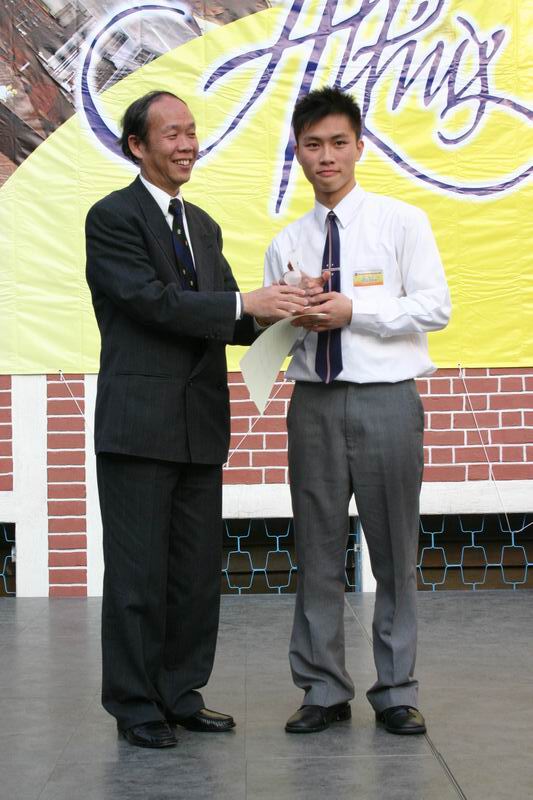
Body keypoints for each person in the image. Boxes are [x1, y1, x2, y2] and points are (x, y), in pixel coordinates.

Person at [85, 90, 308, 748]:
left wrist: (286, 306)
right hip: (138, 427)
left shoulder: (203, 225)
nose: (187, 144)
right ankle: (136, 705)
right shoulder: (113, 217)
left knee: (193, 575)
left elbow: (229, 315)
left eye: (191, 131)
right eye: (172, 134)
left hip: (200, 425)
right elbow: (153, 303)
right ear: (137, 146)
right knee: (137, 577)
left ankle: (181, 694)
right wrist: (245, 303)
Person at [264, 86, 451, 735]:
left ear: (359, 147)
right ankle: (321, 689)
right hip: (312, 404)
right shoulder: (287, 242)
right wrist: (290, 315)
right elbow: (277, 335)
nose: (327, 156)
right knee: (315, 550)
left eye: (338, 142)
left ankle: (395, 689)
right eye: (313, 144)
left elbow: (434, 307)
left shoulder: (402, 223)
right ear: (297, 152)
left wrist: (354, 312)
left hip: (386, 401)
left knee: (394, 551)